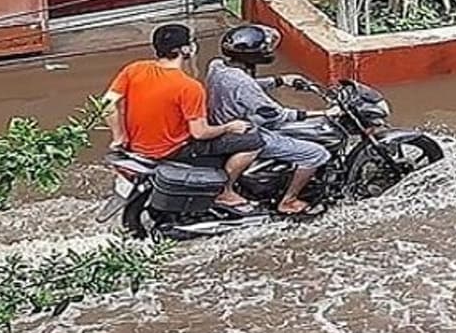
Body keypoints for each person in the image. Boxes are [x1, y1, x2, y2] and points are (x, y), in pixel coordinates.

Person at [102, 24, 261, 217]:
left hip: (136, 148)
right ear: (185, 50)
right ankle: (225, 192)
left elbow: (107, 103)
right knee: (254, 142)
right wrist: (229, 126)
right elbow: (199, 133)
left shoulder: (134, 69)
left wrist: (118, 137)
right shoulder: (189, 87)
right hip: (172, 150)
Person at [205, 24, 333, 216]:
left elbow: (245, 89)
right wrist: (324, 113)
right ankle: (288, 201)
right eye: (263, 48)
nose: (267, 50)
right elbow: (277, 115)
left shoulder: (217, 66)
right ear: (252, 55)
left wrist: (279, 81)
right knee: (315, 153)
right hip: (243, 131)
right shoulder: (243, 83)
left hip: (223, 122)